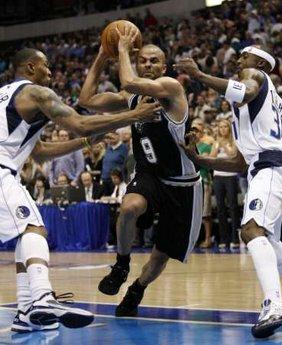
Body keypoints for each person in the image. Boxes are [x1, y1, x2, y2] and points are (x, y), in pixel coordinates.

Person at [2, 47, 160, 333]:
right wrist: (134, 115)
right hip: (1, 171)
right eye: (45, 66)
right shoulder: (36, 93)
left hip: (6, 169)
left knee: (26, 234)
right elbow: (79, 123)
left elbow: (39, 152)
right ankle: (41, 299)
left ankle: (26, 310)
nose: (50, 71)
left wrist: (87, 144)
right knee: (34, 229)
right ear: (29, 68)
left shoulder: (6, 96)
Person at [175, 45, 282, 338]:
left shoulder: (255, 78)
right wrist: (202, 160)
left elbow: (245, 90)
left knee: (251, 230)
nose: (239, 60)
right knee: (268, 239)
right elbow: (240, 161)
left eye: (245, 55)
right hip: (271, 165)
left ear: (261, 63)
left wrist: (199, 75)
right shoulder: (252, 105)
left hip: (272, 165)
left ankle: (274, 305)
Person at [79, 28, 202, 317]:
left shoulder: (171, 87)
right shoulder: (130, 97)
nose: (148, 64)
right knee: (129, 205)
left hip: (183, 184)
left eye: (153, 61)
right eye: (143, 60)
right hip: (150, 174)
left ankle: (137, 288)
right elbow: (86, 100)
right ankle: (121, 263)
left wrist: (122, 49)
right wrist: (101, 55)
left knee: (162, 253)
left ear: (164, 66)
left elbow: (130, 81)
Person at [210, 120, 240, 250]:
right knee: (221, 209)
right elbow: (211, 158)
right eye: (220, 127)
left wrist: (225, 145)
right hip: (218, 177)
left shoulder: (233, 142)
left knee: (233, 208)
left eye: (225, 127)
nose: (222, 129)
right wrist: (217, 146)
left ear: (229, 128)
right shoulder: (216, 142)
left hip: (230, 177)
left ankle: (235, 238)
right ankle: (224, 239)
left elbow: (233, 156)